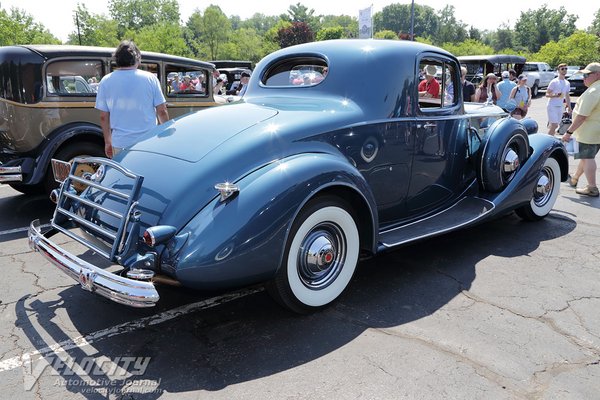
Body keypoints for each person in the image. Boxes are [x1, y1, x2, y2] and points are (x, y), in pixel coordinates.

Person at [95, 40, 169, 158]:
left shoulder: (105, 81)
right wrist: (166, 135)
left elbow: (104, 117)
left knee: (122, 175)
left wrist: (108, 142)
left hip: (120, 142)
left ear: (117, 59)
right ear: (137, 57)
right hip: (148, 141)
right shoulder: (150, 78)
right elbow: (162, 111)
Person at [561, 62, 600, 197]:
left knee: (587, 157)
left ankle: (592, 187)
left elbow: (582, 116)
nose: (584, 78)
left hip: (589, 131)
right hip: (595, 131)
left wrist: (568, 132)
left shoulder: (594, 91)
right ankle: (575, 178)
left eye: (587, 75)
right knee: (586, 157)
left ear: (597, 75)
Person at [546, 63, 572, 136]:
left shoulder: (567, 83)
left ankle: (550, 138)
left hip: (560, 106)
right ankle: (548, 141)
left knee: (556, 125)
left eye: (566, 69)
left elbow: (567, 96)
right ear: (558, 70)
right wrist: (555, 95)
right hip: (552, 106)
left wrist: (569, 108)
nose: (564, 70)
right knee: (554, 125)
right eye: (562, 69)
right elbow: (547, 94)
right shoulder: (554, 81)